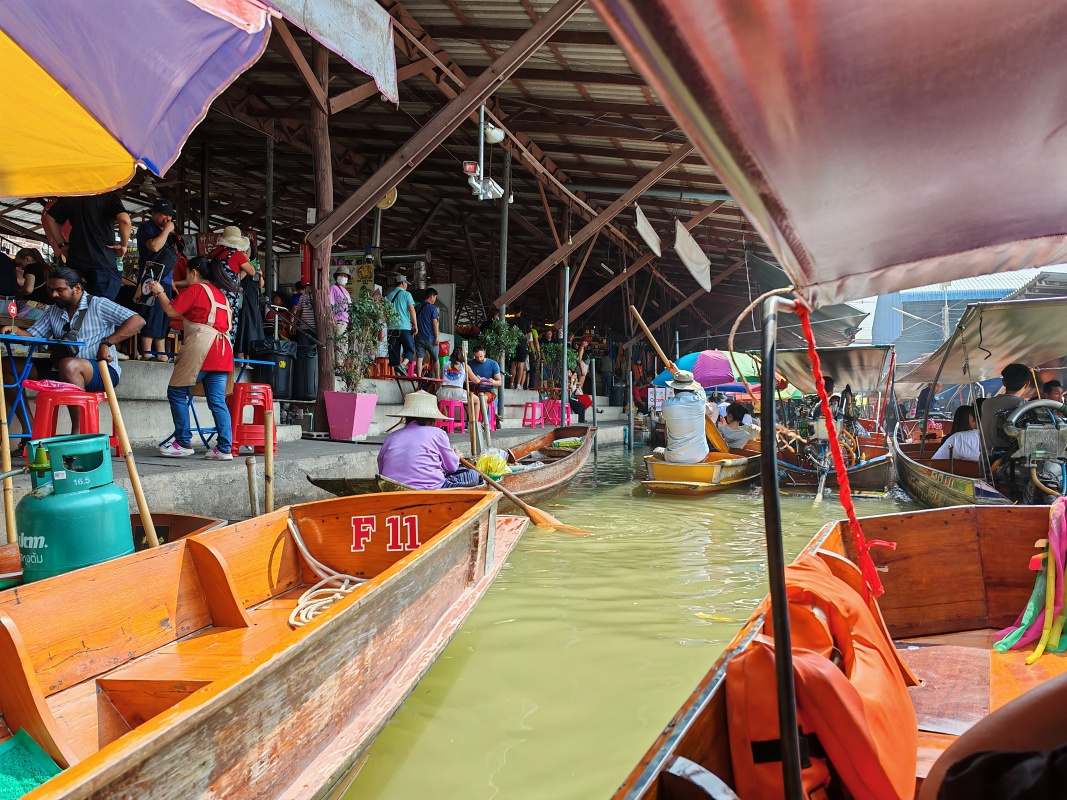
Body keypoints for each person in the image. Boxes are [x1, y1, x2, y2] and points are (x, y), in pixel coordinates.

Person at [147, 257, 236, 461]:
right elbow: (195, 315)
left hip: (203, 348)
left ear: (194, 272)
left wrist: (160, 292)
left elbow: (171, 311)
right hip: (223, 352)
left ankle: (183, 442)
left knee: (176, 392)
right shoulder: (221, 295)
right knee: (218, 401)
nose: (186, 278)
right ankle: (224, 448)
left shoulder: (196, 289)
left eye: (186, 273)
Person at [4, 266, 144, 391]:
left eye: (60, 290)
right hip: (61, 367)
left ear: (77, 288)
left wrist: (106, 343)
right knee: (6, 365)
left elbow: (137, 321)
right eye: (51, 290)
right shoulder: (53, 310)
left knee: (69, 365)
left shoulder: (98, 304)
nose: (53, 295)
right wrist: (16, 330)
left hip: (101, 369)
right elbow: (32, 337)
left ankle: (79, 414)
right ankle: (25, 414)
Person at [377, 391, 481, 489]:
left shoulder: (391, 437)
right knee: (473, 475)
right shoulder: (438, 433)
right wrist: (456, 456)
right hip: (430, 489)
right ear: (432, 420)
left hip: (392, 489)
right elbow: (452, 467)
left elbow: (381, 466)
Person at [43, 191, 131, 300]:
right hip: (103, 262)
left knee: (77, 304)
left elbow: (50, 218)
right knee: (100, 306)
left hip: (76, 261)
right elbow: (125, 220)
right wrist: (124, 245)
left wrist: (62, 245)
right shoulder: (108, 196)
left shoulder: (73, 195)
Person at [134, 199, 180, 361]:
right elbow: (154, 247)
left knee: (163, 315)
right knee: (150, 312)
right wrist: (167, 230)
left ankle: (160, 352)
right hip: (150, 276)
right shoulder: (147, 228)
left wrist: (172, 281)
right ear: (153, 214)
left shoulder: (166, 232)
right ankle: (146, 352)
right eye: (163, 215)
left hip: (165, 278)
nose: (167, 219)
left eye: (170, 216)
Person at [211, 225, 261, 352]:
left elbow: (236, 275)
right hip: (230, 297)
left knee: (215, 324)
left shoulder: (215, 253)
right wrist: (247, 258)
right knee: (230, 325)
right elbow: (251, 271)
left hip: (214, 294)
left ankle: (213, 350)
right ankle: (227, 351)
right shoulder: (237, 255)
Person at [979, 363, 1034, 460]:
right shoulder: (1024, 406)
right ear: (1027, 384)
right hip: (1009, 464)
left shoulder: (986, 403)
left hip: (984, 461)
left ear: (1003, 382)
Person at [662, 370, 710, 464]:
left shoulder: (666, 405)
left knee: (657, 450)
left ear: (674, 389)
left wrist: (677, 375)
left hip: (674, 457)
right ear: (692, 387)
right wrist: (676, 371)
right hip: (699, 456)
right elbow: (700, 389)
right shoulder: (700, 401)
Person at [385, 273, 417, 375]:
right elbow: (412, 310)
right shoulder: (407, 294)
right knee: (410, 349)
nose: (407, 285)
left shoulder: (388, 296)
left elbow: (384, 313)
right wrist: (415, 325)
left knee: (394, 352)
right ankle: (403, 365)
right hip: (404, 328)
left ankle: (396, 375)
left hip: (391, 329)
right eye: (406, 283)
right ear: (402, 283)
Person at [415, 287, 441, 377]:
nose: (435, 299)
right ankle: (437, 379)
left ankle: (418, 379)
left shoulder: (417, 307)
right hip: (431, 339)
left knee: (419, 359)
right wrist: (437, 337)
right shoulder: (433, 308)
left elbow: (413, 321)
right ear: (432, 296)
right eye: (435, 297)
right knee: (436, 359)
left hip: (419, 338)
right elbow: (435, 323)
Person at [329, 268, 352, 344]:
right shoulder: (333, 288)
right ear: (337, 277)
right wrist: (332, 320)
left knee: (344, 346)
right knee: (341, 346)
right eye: (341, 275)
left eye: (345, 276)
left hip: (345, 322)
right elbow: (330, 305)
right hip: (338, 322)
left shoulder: (346, 291)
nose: (343, 277)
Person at [510, 320, 530, 390]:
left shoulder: (512, 321)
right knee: (521, 365)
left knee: (514, 365)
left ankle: (511, 383)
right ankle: (518, 384)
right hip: (522, 345)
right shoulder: (526, 321)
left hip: (514, 344)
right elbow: (529, 335)